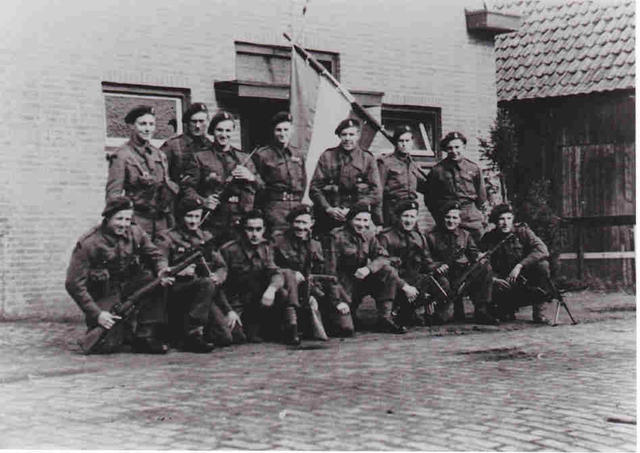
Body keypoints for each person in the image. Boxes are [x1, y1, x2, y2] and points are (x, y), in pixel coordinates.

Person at [65, 196, 173, 354]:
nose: (124, 224)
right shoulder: (89, 243)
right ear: (108, 217)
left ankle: (145, 336)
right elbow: (73, 284)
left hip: (129, 287)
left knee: (155, 280)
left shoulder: (135, 232)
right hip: (104, 293)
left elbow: (155, 254)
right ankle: (121, 330)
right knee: (107, 346)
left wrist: (162, 268)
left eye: (127, 219)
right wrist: (97, 314)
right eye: (119, 219)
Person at [155, 197, 243, 352]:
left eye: (197, 216)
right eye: (189, 216)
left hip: (203, 295)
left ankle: (190, 332)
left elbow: (221, 265)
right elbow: (160, 260)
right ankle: (193, 334)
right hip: (177, 291)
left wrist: (218, 276)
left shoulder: (205, 237)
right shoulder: (167, 236)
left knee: (227, 337)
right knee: (205, 284)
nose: (193, 221)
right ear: (181, 217)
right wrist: (176, 270)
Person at [219, 210, 301, 344]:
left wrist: (271, 289)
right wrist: (229, 311)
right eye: (250, 229)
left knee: (281, 291)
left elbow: (275, 272)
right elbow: (219, 286)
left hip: (256, 301)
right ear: (243, 230)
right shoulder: (229, 250)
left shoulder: (266, 248)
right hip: (235, 302)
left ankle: (291, 328)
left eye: (258, 229)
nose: (254, 234)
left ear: (264, 230)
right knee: (234, 337)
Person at [272, 204, 354, 338]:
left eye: (304, 222)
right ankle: (291, 326)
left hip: (311, 290)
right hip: (285, 289)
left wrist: (333, 300)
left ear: (312, 223)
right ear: (291, 223)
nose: (300, 227)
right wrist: (290, 273)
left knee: (346, 328)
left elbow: (326, 275)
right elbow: (270, 268)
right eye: (297, 222)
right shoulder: (278, 241)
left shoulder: (316, 245)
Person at [182, 111, 262, 245]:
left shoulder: (244, 158)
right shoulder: (199, 157)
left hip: (239, 221)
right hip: (213, 221)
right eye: (219, 130)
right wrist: (203, 201)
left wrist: (251, 177)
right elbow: (187, 188)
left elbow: (261, 187)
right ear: (212, 131)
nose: (224, 134)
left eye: (228, 130)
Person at [326, 202, 406, 334]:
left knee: (389, 271)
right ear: (350, 219)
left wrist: (368, 269)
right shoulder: (336, 237)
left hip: (361, 278)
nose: (361, 224)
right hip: (342, 284)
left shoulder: (369, 235)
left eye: (365, 220)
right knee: (346, 329)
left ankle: (385, 318)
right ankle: (348, 312)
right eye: (358, 219)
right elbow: (330, 272)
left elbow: (383, 257)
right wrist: (337, 300)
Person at [106, 105, 178, 240]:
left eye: (151, 124)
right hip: (136, 223)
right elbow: (113, 197)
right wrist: (122, 224)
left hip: (161, 224)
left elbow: (166, 189)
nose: (147, 128)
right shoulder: (122, 156)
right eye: (142, 124)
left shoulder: (160, 155)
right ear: (131, 126)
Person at [425, 201, 498, 325]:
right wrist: (437, 266)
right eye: (448, 217)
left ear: (459, 220)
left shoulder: (465, 235)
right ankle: (444, 309)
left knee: (485, 268)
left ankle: (481, 310)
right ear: (442, 218)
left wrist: (481, 258)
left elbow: (474, 255)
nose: (451, 221)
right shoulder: (431, 236)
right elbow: (426, 259)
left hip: (462, 275)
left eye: (454, 217)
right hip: (443, 277)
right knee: (442, 319)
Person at [309, 118, 383, 238]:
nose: (347, 138)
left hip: (356, 220)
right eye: (344, 134)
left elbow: (376, 192)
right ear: (339, 136)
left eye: (351, 134)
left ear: (358, 135)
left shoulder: (367, 158)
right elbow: (314, 188)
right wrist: (328, 208)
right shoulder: (327, 156)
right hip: (327, 218)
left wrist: (354, 210)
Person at [480, 204, 552, 323]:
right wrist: (492, 279)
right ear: (495, 221)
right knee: (505, 318)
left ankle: (539, 313)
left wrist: (520, 265)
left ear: (513, 219)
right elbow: (480, 262)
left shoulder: (522, 232)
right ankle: (505, 308)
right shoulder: (489, 238)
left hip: (522, 278)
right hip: (502, 282)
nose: (505, 223)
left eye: (509, 218)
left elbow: (542, 250)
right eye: (501, 219)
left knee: (542, 266)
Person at [377, 200, 437, 327]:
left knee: (440, 283)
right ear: (398, 217)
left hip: (412, 279)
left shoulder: (419, 237)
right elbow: (382, 266)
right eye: (405, 216)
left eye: (412, 216)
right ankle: (387, 316)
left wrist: (439, 267)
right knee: (390, 276)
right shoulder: (386, 237)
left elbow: (427, 262)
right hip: (392, 281)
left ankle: (408, 311)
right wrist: (404, 285)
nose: (409, 220)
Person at [424, 131, 487, 242]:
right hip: (448, 219)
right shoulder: (437, 171)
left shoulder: (473, 168)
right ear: (446, 149)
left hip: (471, 218)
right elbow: (430, 199)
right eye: (450, 148)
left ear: (464, 147)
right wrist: (440, 216)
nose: (454, 151)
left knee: (480, 247)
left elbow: (481, 196)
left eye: (457, 147)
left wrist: (473, 212)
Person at [252, 112, 307, 234]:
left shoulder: (298, 154)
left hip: (296, 207)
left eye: (286, 129)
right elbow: (258, 185)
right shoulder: (262, 154)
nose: (282, 133)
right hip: (275, 209)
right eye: (279, 130)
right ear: (273, 132)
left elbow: (304, 182)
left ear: (292, 130)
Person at [377, 125, 429, 226]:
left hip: (411, 211)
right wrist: (379, 219)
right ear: (396, 143)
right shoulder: (385, 162)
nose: (404, 144)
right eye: (401, 141)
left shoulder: (414, 164)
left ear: (412, 142)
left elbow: (425, 187)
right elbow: (378, 192)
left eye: (407, 141)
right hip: (393, 211)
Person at [161, 102, 213, 184]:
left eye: (201, 121)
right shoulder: (173, 145)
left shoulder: (211, 146)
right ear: (187, 123)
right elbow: (161, 173)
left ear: (207, 122)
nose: (197, 126)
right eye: (194, 121)